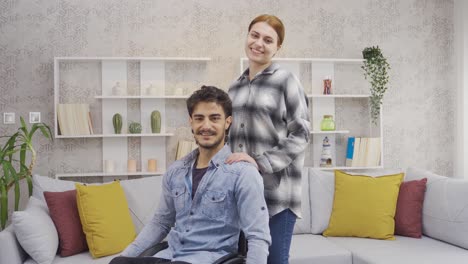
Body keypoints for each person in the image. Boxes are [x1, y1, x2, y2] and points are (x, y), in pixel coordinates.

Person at [110, 86, 271, 264]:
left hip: (210, 259)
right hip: (170, 256)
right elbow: (161, 223)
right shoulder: (175, 171)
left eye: (214, 118)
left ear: (227, 122)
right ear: (191, 122)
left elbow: (258, 235)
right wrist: (124, 257)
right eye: (199, 118)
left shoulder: (243, 173)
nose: (206, 126)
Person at [226, 14, 310, 264]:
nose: (259, 43)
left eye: (268, 40)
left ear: (277, 47)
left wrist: (260, 162)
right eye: (255, 35)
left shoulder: (286, 80)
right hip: (242, 195)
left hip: (277, 195)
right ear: (247, 36)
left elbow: (302, 133)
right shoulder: (234, 87)